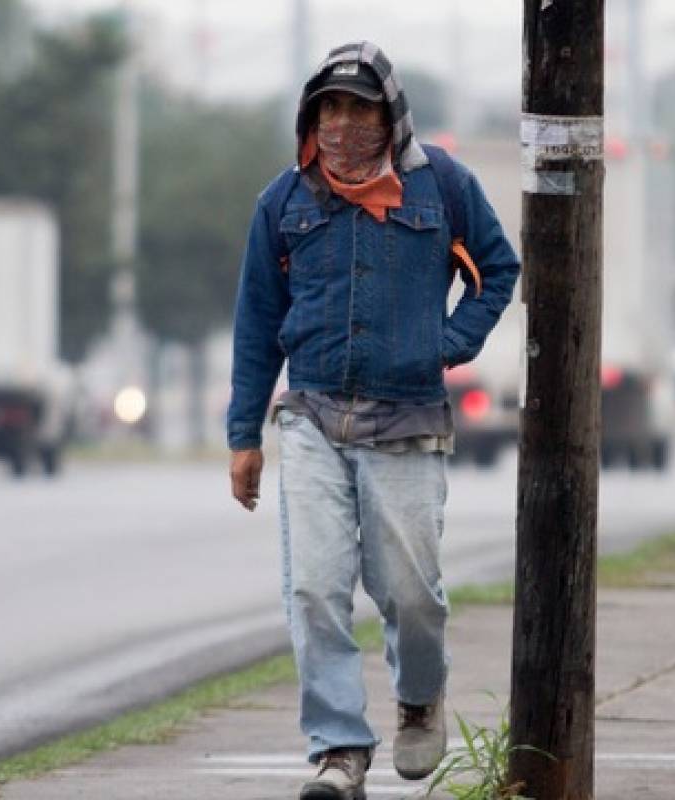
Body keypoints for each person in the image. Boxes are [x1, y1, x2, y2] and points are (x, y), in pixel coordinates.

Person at [227, 41, 519, 800]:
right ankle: (339, 750)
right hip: (312, 416)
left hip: (407, 421)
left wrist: (447, 344)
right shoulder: (284, 202)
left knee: (410, 593)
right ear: (310, 116)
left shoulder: (442, 186)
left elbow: (498, 270)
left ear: (391, 117)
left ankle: (420, 698)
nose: (343, 124)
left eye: (360, 109)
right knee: (313, 589)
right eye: (330, 108)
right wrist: (243, 436)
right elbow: (256, 323)